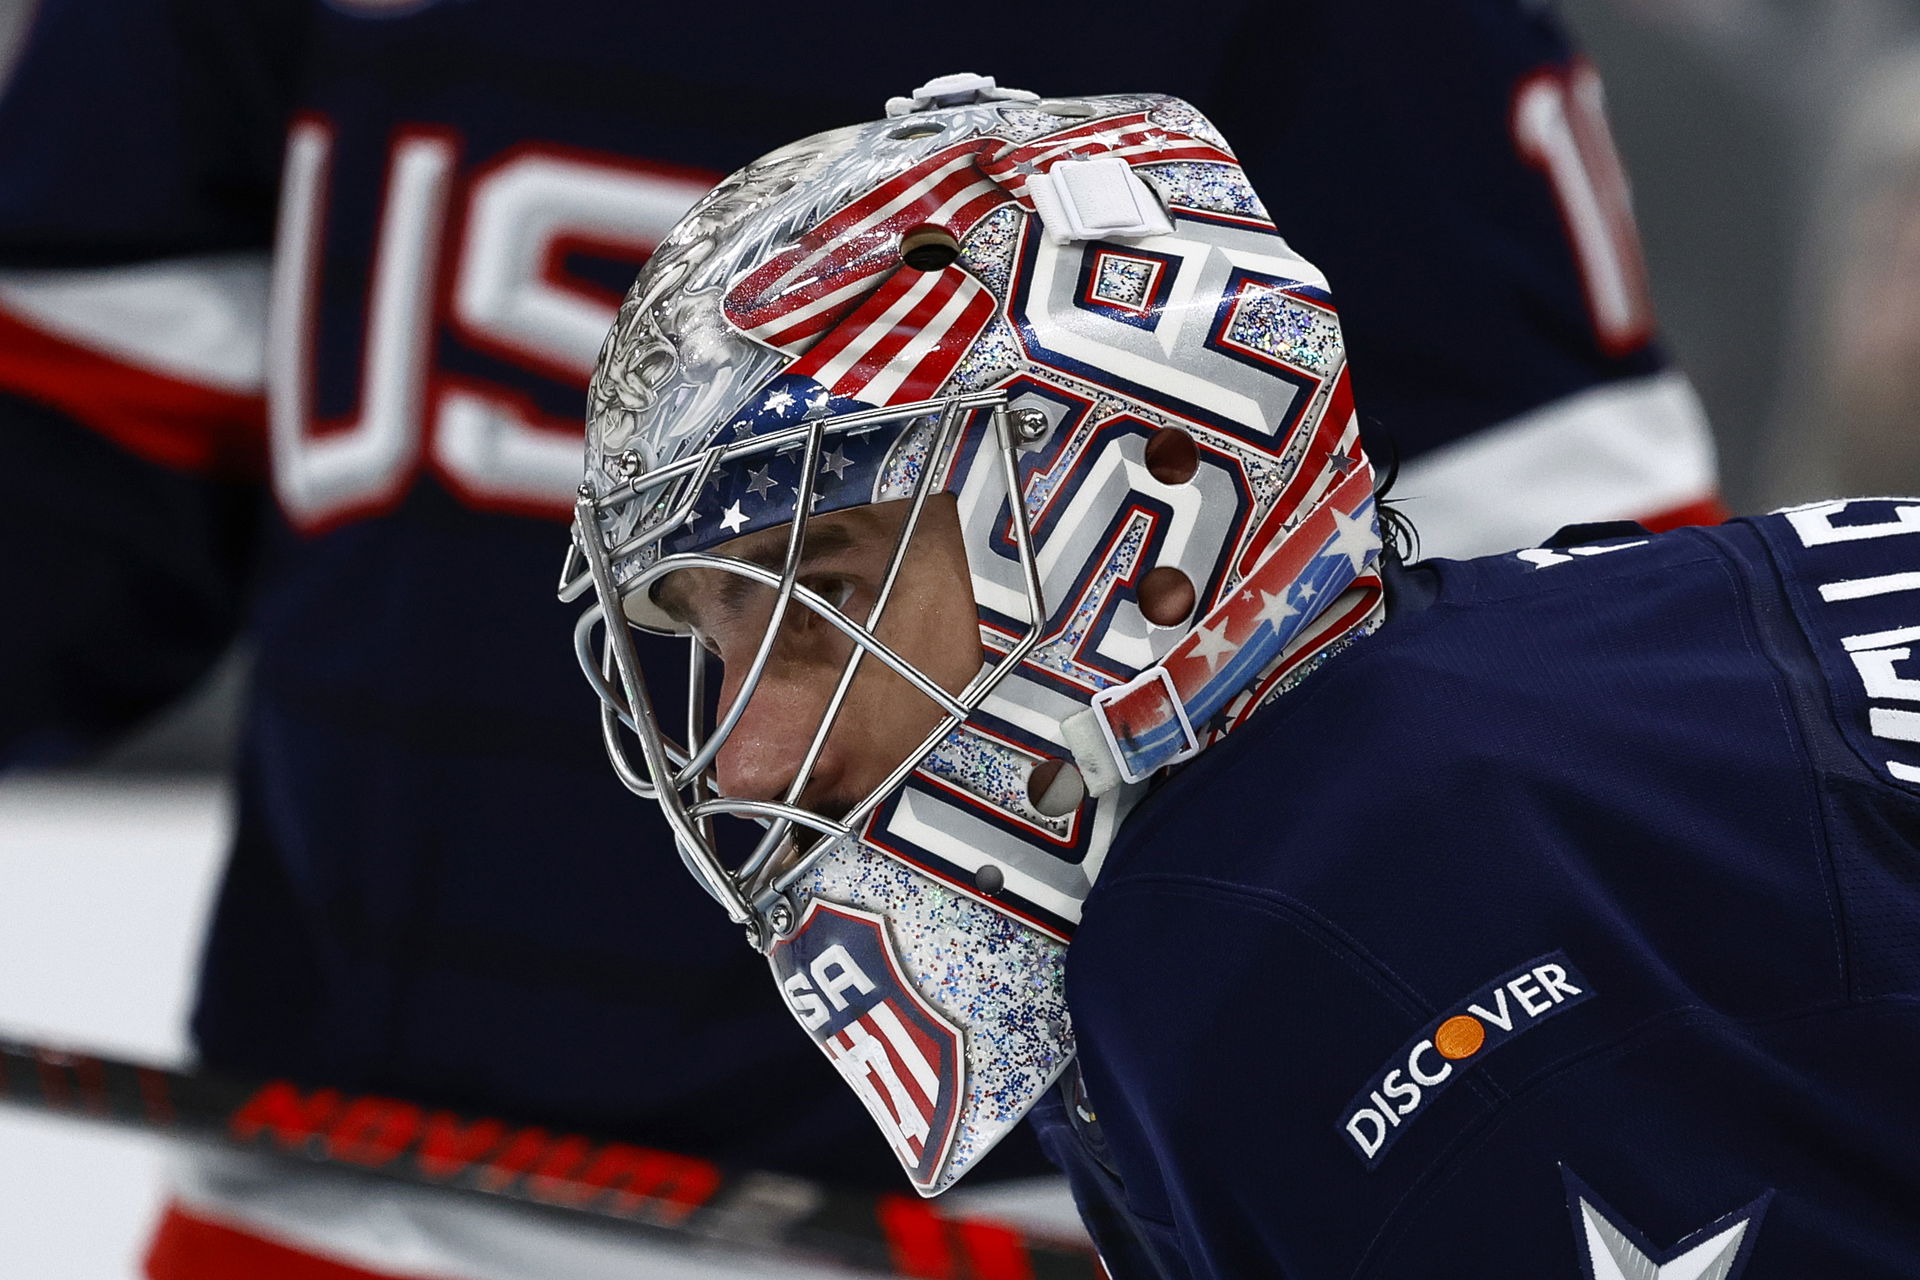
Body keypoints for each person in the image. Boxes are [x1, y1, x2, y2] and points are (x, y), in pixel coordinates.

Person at [0, 1, 1717, 1273]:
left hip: (1049, 1233)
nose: (745, 753)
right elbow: (71, 508)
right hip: (339, 1214)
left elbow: (1554, 671)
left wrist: (1379, 1136)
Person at [567, 82, 1920, 1278]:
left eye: (824, 599)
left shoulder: (1288, 925)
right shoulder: (1516, 709)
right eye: (715, 643)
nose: (745, 760)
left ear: (1154, 514)